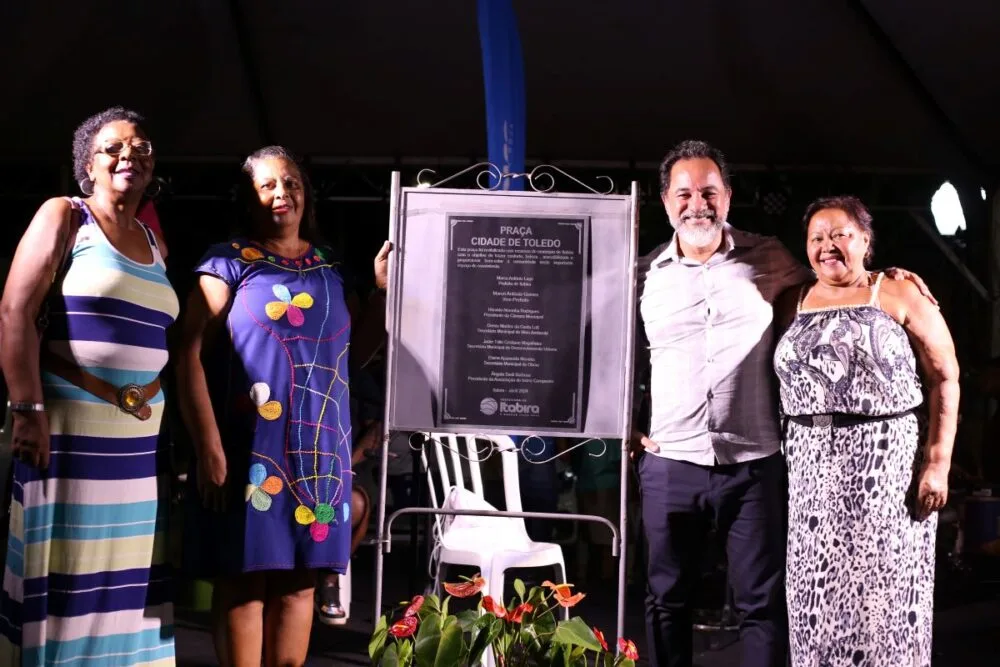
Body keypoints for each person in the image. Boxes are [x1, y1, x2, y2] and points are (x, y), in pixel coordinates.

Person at [630, 140, 932, 667]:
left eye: (709, 191)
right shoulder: (644, 274)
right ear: (664, 201)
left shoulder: (768, 257)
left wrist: (890, 279)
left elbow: (835, 283)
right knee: (664, 600)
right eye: (684, 193)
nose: (696, 203)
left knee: (761, 605)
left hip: (754, 464)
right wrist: (620, 422)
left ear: (727, 196)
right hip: (669, 462)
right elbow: (604, 346)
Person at [176, 145, 389, 666]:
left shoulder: (331, 265)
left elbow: (354, 355)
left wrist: (382, 292)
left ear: (305, 193)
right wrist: (207, 447)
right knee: (245, 584)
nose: (281, 194)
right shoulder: (227, 262)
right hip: (248, 448)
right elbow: (186, 353)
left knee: (300, 585)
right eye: (267, 185)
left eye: (290, 183)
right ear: (249, 198)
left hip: (320, 449)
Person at [0, 107, 177, 665]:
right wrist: (27, 409)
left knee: (124, 581)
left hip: (138, 437)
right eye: (113, 148)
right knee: (69, 577)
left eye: (142, 147)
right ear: (88, 165)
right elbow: (14, 311)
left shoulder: (153, 240)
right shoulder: (65, 215)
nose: (130, 155)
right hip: (72, 425)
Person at [773, 196, 958, 666]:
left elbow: (945, 377)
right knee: (817, 600)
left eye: (840, 234)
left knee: (884, 600)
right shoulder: (791, 299)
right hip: (812, 477)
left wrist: (937, 462)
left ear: (866, 242)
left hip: (886, 472)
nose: (827, 245)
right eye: (816, 237)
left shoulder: (898, 293)